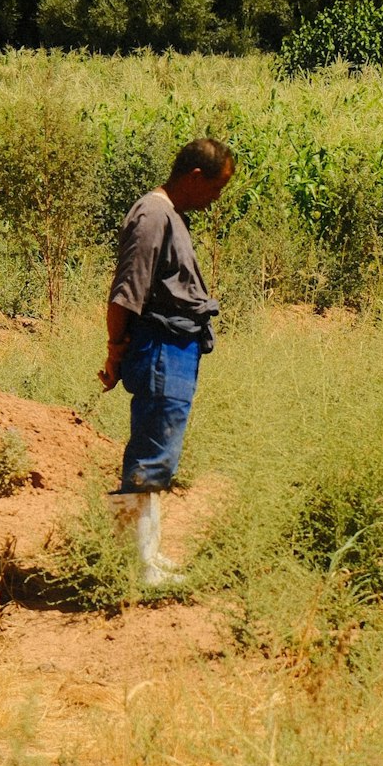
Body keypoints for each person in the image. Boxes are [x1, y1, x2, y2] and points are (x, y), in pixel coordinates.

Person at [99, 137, 235, 584]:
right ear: (195, 177)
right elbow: (125, 296)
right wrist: (115, 349)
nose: (216, 199)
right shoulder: (154, 215)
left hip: (174, 349)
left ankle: (147, 557)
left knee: (161, 454)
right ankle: (135, 568)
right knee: (150, 455)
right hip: (160, 349)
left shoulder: (168, 215)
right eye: (216, 188)